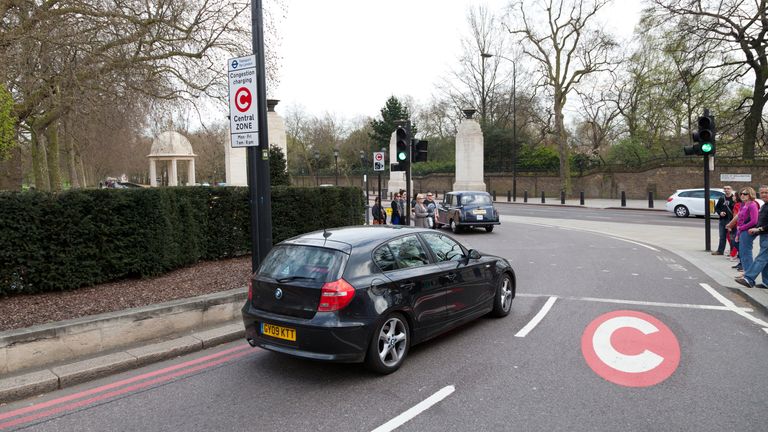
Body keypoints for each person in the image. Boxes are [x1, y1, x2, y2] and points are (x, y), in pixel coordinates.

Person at [736, 185, 768, 288]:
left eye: (766, 192)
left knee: (761, 258)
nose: (764, 195)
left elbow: (755, 221)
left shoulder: (754, 205)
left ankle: (749, 278)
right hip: (764, 235)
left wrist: (758, 229)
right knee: (765, 259)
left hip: (766, 234)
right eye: (762, 193)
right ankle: (766, 282)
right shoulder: (764, 205)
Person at [736, 187, 760, 274]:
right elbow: (740, 220)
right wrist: (738, 234)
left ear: (750, 194)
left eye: (745, 194)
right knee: (743, 253)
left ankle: (748, 274)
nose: (742, 195)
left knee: (746, 253)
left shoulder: (752, 205)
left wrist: (741, 228)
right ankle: (746, 273)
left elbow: (754, 221)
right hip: (742, 231)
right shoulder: (743, 205)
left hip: (748, 231)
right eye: (741, 193)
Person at [713, 186, 735, 255]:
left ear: (731, 190)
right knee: (722, 236)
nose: (726, 190)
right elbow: (716, 208)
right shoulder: (722, 198)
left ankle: (732, 251)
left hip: (731, 220)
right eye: (725, 189)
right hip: (722, 220)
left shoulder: (734, 198)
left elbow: (737, 208)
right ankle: (720, 251)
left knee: (731, 237)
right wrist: (720, 213)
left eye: (728, 189)